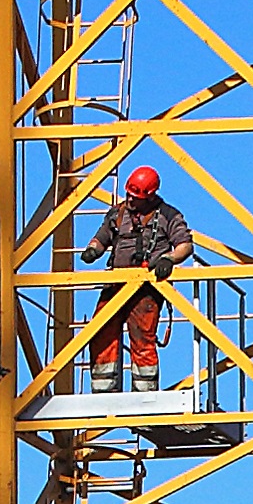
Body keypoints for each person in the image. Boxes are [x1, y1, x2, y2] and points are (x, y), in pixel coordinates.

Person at [89, 163, 192, 391]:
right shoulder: (118, 213)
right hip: (116, 283)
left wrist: (169, 259)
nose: (131, 200)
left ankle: (145, 391)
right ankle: (103, 389)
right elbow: (102, 237)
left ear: (150, 196)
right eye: (130, 194)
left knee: (142, 337)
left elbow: (185, 245)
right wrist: (93, 250)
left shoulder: (168, 215)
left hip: (146, 288)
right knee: (101, 330)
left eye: (136, 196)